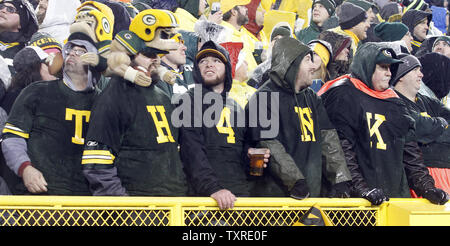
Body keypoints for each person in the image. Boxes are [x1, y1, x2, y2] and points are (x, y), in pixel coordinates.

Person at [318, 42, 449, 205]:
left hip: (392, 197)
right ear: (367, 65)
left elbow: (409, 150)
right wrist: (360, 188)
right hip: (356, 203)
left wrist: (427, 187)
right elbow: (340, 149)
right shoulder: (343, 94)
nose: (388, 73)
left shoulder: (393, 101)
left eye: (389, 68)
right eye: (382, 67)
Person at [81, 19, 188, 197]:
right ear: (129, 58)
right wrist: (125, 207)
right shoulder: (114, 95)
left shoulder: (161, 95)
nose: (155, 60)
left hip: (173, 204)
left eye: (156, 55)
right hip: (138, 207)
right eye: (147, 54)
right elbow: (97, 160)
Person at [246, 37, 352, 200]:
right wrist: (295, 182)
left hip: (312, 198)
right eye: (308, 60)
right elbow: (269, 145)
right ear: (291, 63)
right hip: (277, 202)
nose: (314, 66)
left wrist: (340, 179)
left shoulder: (312, 98)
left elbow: (328, 139)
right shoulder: (263, 99)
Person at [1, 32, 99, 195]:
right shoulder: (36, 91)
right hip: (40, 196)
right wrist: (25, 168)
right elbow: (12, 136)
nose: (73, 53)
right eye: (70, 49)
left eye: (81, 51)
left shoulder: (103, 100)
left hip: (86, 200)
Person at [178, 40, 269, 210]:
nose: (208, 65)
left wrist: (250, 158)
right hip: (205, 200)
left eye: (216, 60)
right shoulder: (189, 100)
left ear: (227, 69)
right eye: (203, 61)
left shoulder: (235, 105)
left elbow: (240, 152)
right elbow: (192, 151)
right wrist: (213, 188)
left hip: (239, 195)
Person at [392, 53, 450, 196]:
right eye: (415, 70)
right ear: (401, 76)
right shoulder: (393, 101)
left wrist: (432, 131)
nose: (421, 75)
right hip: (420, 174)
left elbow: (425, 128)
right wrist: (441, 125)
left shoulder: (428, 101)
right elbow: (416, 127)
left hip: (445, 169)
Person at [0, 0, 38, 98]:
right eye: (1, 7)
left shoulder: (27, 53)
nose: (3, 10)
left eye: (10, 9)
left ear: (21, 23)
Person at [220, 0, 258, 73]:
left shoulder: (244, 34)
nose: (246, 9)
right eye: (243, 6)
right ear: (234, 11)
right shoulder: (223, 35)